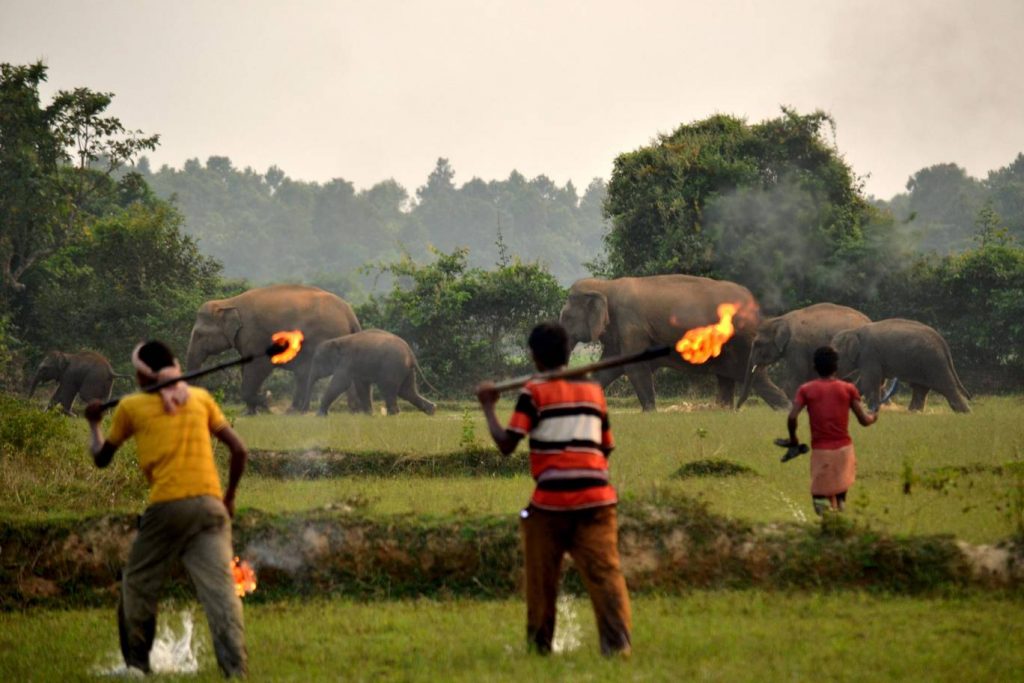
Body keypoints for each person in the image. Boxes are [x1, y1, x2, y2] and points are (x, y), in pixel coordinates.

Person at [84, 340, 249, 677]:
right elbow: (239, 450)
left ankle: (137, 666)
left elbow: (102, 458)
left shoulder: (131, 407)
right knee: (221, 595)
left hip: (167, 508)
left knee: (138, 586)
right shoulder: (200, 399)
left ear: (144, 377)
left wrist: (94, 423)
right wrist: (228, 497)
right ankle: (236, 669)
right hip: (211, 509)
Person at [476, 322, 631, 657]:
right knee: (606, 575)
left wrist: (488, 406)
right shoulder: (593, 391)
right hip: (598, 500)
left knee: (542, 580)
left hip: (550, 505)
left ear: (535, 357)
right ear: (566, 353)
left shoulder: (534, 392)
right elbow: (606, 447)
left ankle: (539, 648)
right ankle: (618, 647)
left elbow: (506, 444)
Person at [785, 345, 878, 515]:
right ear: (836, 367)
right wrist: (874, 417)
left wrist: (794, 439)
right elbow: (864, 421)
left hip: (822, 451)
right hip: (845, 451)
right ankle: (839, 528)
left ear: (814, 367)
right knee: (840, 497)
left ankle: (829, 530)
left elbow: (792, 417)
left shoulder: (806, 390)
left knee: (820, 500)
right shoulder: (848, 389)